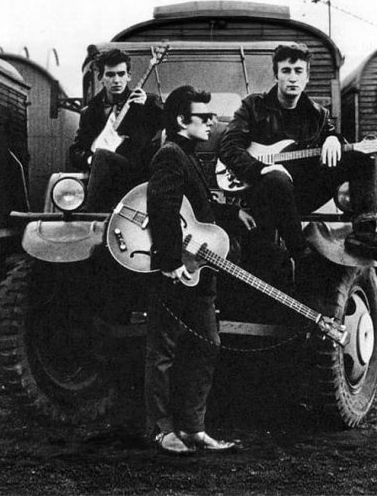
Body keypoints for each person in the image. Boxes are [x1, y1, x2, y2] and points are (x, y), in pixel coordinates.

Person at [218, 42, 377, 266]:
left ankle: (364, 234)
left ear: (307, 78)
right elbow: (228, 145)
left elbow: (332, 135)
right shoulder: (254, 106)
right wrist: (261, 168)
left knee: (362, 157)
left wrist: (335, 139)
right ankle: (300, 253)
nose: (292, 78)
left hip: (302, 193)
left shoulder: (317, 114)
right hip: (261, 193)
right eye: (286, 71)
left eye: (298, 71)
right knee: (277, 178)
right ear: (276, 76)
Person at [146, 85, 254, 455]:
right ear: (180, 120)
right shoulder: (170, 155)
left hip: (200, 268)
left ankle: (194, 429)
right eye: (204, 117)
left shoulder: (188, 155)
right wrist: (171, 263)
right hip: (179, 269)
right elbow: (162, 208)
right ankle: (162, 431)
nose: (212, 123)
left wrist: (229, 213)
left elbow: (195, 209)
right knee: (164, 350)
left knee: (208, 344)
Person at [69, 48, 163, 211]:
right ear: (101, 78)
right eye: (110, 75)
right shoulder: (89, 112)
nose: (117, 80)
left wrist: (142, 109)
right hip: (104, 182)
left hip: (138, 179)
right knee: (101, 155)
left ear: (129, 76)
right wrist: (92, 160)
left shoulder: (148, 103)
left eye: (121, 74)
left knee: (102, 155)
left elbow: (165, 129)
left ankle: (89, 211)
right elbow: (76, 151)